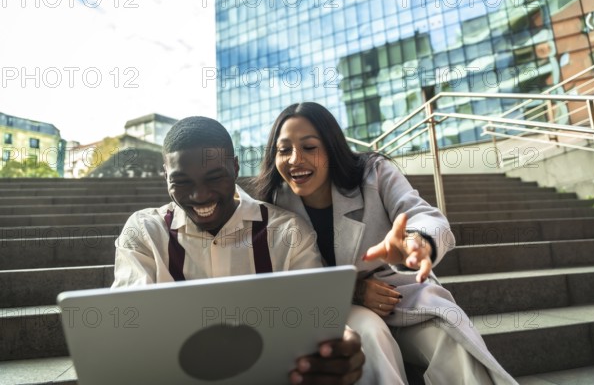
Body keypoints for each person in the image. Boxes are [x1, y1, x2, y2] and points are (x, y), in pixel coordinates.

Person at [254, 102, 517, 385]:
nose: (295, 159)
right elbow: (289, 285)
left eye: (309, 147)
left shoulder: (373, 173)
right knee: (370, 336)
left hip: (402, 296)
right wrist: (353, 291)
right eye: (284, 150)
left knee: (447, 338)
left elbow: (422, 214)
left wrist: (416, 243)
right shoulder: (274, 205)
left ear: (332, 148)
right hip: (339, 309)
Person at [112, 116, 365, 385]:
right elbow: (130, 322)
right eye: (182, 181)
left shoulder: (288, 231)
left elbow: (316, 314)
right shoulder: (144, 232)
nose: (199, 196)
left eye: (214, 177)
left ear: (234, 167)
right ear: (165, 176)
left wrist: (334, 346)